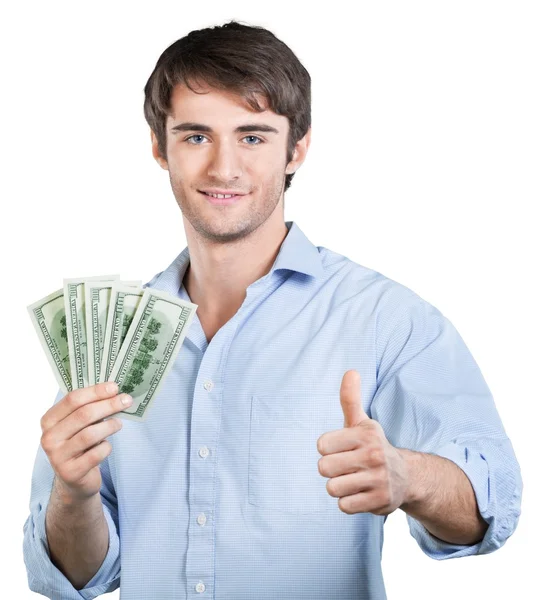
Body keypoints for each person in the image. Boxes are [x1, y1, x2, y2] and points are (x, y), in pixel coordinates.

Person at [23, 20, 522, 600]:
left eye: (253, 136)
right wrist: (73, 492)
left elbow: (494, 506)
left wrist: (410, 478)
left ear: (298, 148)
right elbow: (74, 577)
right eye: (196, 136)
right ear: (160, 147)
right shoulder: (112, 338)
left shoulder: (385, 317)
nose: (224, 168)